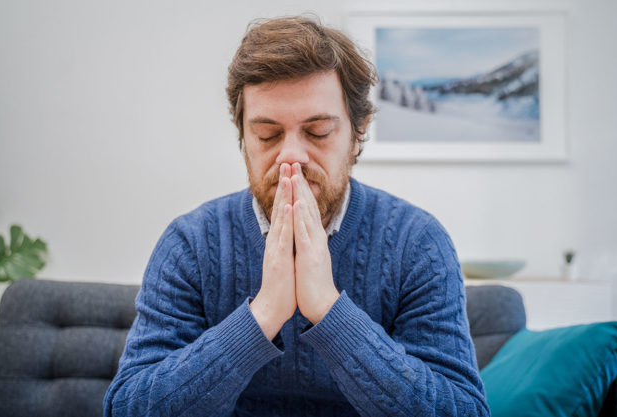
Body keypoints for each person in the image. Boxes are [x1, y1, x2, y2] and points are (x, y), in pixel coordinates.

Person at [104, 15, 490, 417]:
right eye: (268, 135)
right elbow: (127, 407)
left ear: (358, 133)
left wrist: (327, 307)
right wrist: (264, 313)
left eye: (318, 132)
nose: (291, 155)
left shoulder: (417, 243)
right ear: (242, 137)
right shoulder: (191, 243)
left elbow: (462, 410)